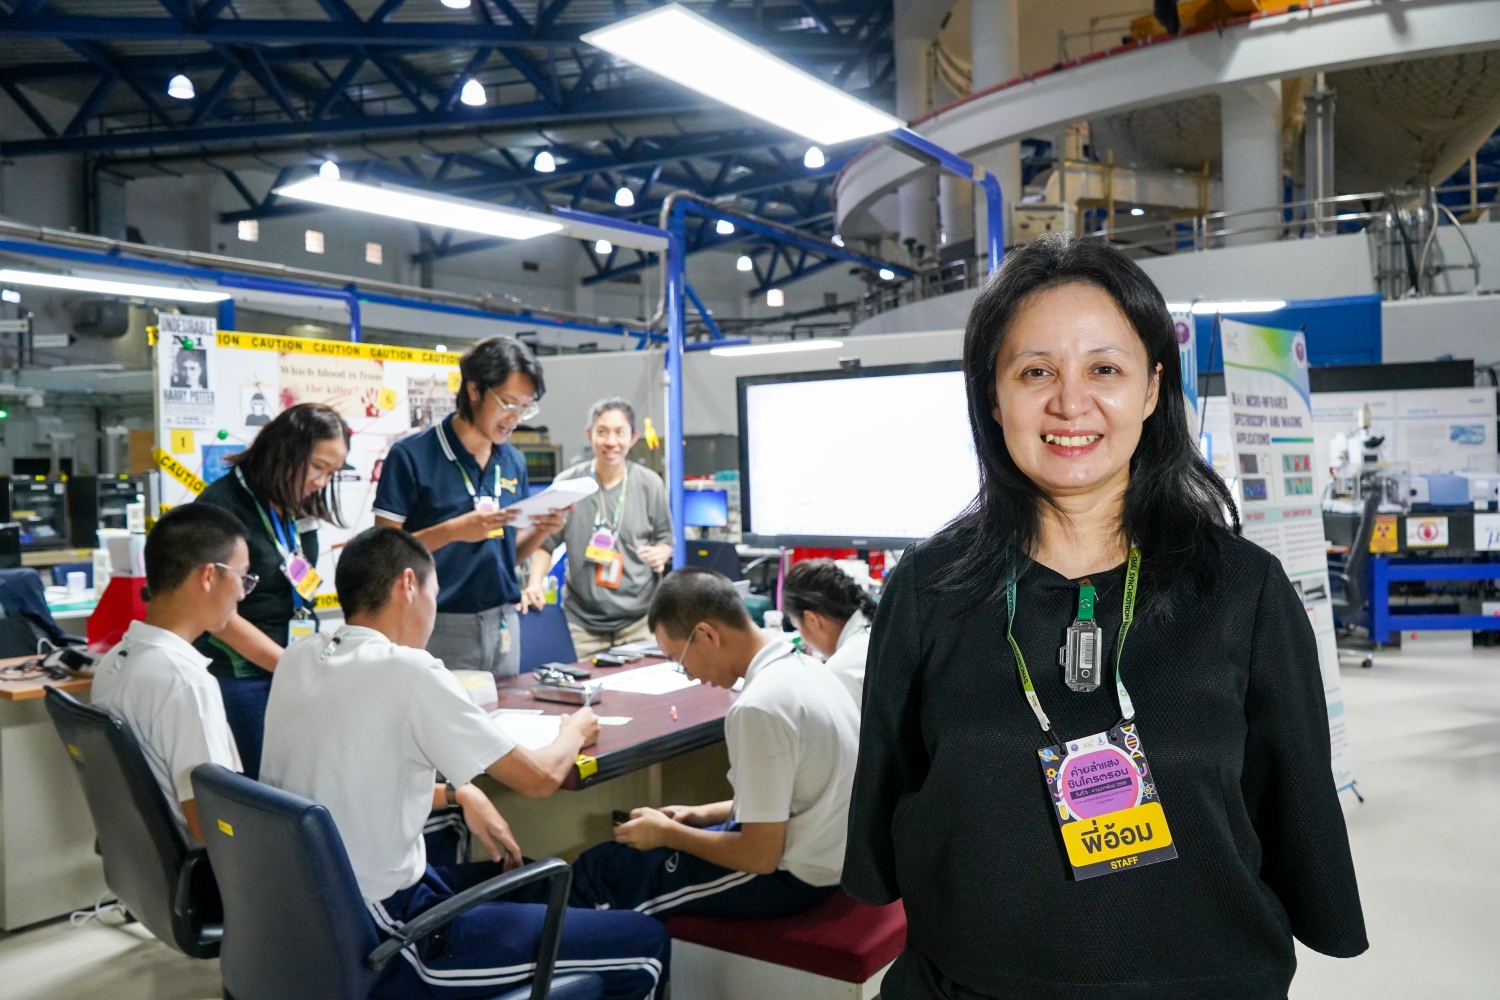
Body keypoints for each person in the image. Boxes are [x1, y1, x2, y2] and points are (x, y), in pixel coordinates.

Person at [844, 234, 1367, 1000]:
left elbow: (1297, 817)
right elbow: (886, 812)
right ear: (992, 395)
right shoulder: (930, 589)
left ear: (1153, 389)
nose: (1070, 402)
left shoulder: (1243, 592)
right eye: (1035, 372)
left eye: (1105, 369)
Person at [260, 527, 668, 1000]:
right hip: (390, 933)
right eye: (434, 594)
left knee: (528, 880)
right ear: (407, 585)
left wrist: (460, 792)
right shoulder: (410, 671)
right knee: (645, 941)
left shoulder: (300, 656)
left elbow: (346, 784)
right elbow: (538, 779)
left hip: (315, 914)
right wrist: (574, 730)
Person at [570, 567, 858, 920]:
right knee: (618, 862)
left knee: (606, 875)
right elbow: (801, 791)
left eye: (679, 660)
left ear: (707, 634)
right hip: (834, 856)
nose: (689, 675)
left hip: (795, 875)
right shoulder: (808, 668)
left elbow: (759, 857)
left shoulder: (759, 706)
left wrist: (668, 834)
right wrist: (703, 814)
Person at [374, 336, 568, 678]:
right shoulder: (411, 456)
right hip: (437, 623)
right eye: (508, 403)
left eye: (525, 408)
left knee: (507, 710)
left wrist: (542, 531)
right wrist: (453, 532)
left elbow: (507, 556)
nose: (515, 419)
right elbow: (382, 555)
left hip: (504, 623)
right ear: (474, 389)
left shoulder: (513, 461)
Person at [193, 402, 349, 780]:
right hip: (243, 676)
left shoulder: (295, 504)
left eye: (331, 473)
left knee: (300, 780)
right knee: (264, 788)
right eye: (317, 467)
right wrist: (288, 666)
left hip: (292, 665)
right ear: (285, 452)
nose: (321, 483)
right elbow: (218, 616)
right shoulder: (222, 508)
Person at [90, 504, 250, 843]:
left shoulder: (115, 661)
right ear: (209, 576)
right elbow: (212, 828)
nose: (241, 594)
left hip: (141, 861)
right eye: (242, 578)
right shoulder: (186, 683)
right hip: (200, 865)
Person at [528, 397, 674, 658]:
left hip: (639, 623)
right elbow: (545, 542)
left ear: (633, 437)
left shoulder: (650, 484)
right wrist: (534, 583)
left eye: (620, 432)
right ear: (589, 435)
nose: (611, 442)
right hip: (581, 625)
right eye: (602, 432)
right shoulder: (567, 484)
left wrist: (662, 552)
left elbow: (665, 539)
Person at [781, 558, 876, 708]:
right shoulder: (873, 627)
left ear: (812, 620)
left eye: (797, 627)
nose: (804, 640)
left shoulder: (842, 670)